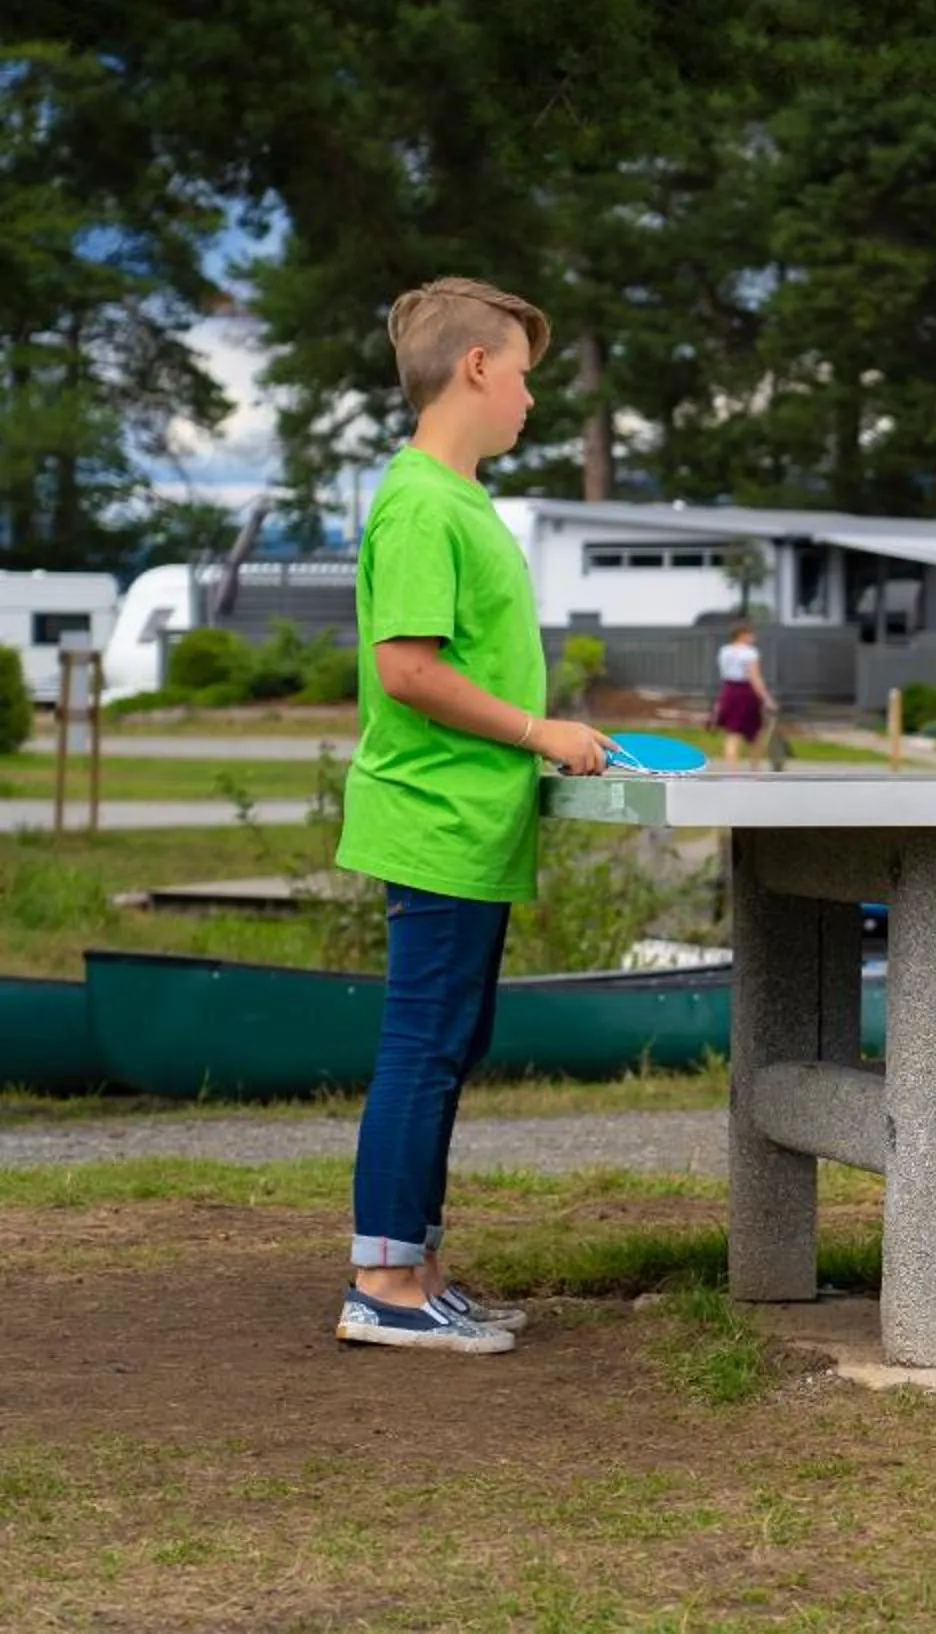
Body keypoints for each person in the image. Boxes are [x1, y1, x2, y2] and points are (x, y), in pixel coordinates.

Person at [335, 277, 618, 1354]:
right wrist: (539, 730)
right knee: (423, 1045)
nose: (533, 402)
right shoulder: (419, 501)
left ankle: (420, 1267)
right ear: (478, 368)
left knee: (450, 1041)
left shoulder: (456, 500)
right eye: (528, 378)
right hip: (437, 818)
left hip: (472, 822)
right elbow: (406, 669)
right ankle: (381, 1283)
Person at [712, 620, 774, 770]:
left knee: (732, 734)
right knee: (755, 734)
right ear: (742, 635)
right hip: (746, 692)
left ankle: (732, 772)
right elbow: (755, 677)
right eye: (751, 633)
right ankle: (754, 770)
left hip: (729, 690)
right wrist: (767, 698)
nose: (753, 636)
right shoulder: (750, 652)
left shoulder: (724, 651)